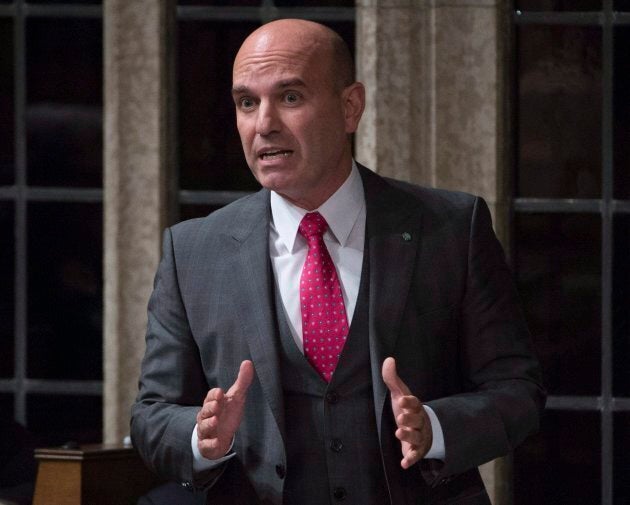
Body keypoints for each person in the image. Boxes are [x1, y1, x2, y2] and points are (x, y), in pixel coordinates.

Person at [131, 19, 545, 505]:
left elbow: (517, 391)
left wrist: (433, 427)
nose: (264, 124)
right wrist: (200, 438)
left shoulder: (452, 228)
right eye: (247, 102)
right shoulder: (193, 250)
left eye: (289, 97)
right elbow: (151, 415)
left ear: (350, 107)